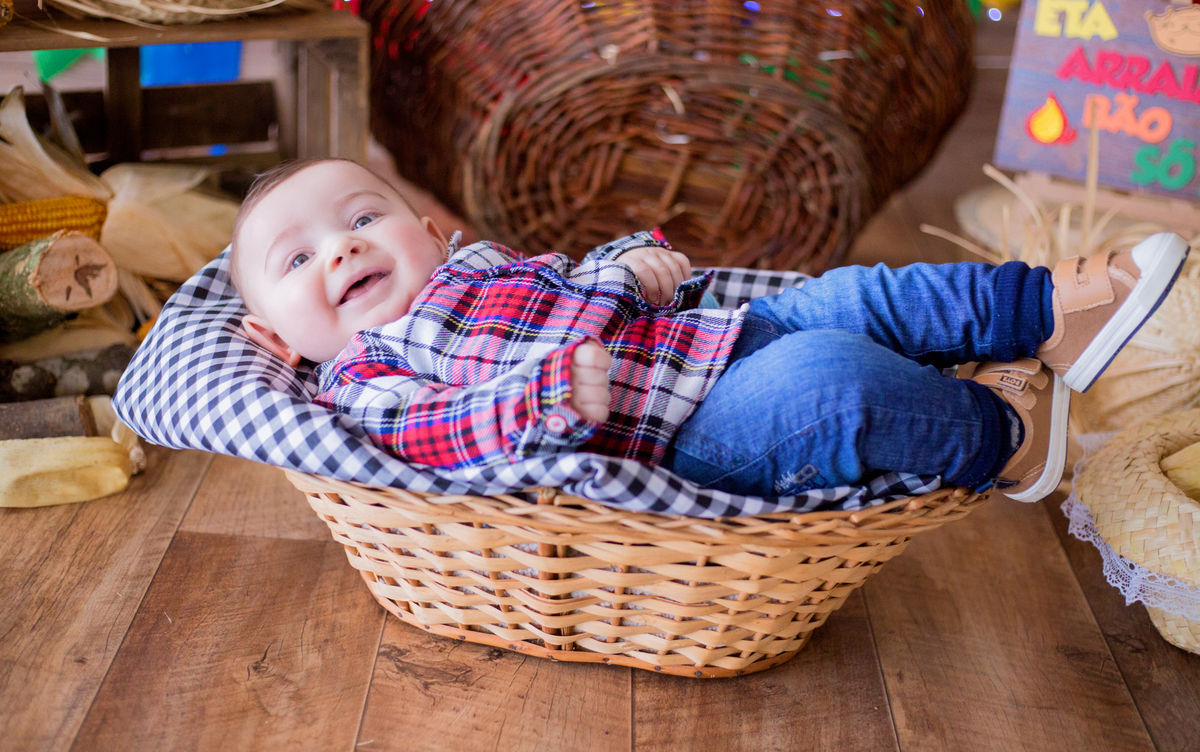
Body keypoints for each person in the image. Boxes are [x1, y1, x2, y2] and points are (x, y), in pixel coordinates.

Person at [230, 158, 1190, 504]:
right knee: (827, 382)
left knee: (852, 294)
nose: (340, 252)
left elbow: (579, 285)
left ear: (433, 234)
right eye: (297, 260)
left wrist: (628, 266)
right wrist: (540, 399)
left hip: (712, 335)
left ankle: (1045, 312)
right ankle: (1000, 438)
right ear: (273, 333)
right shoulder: (364, 379)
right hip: (685, 440)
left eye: (361, 220)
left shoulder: (477, 267)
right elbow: (440, 435)